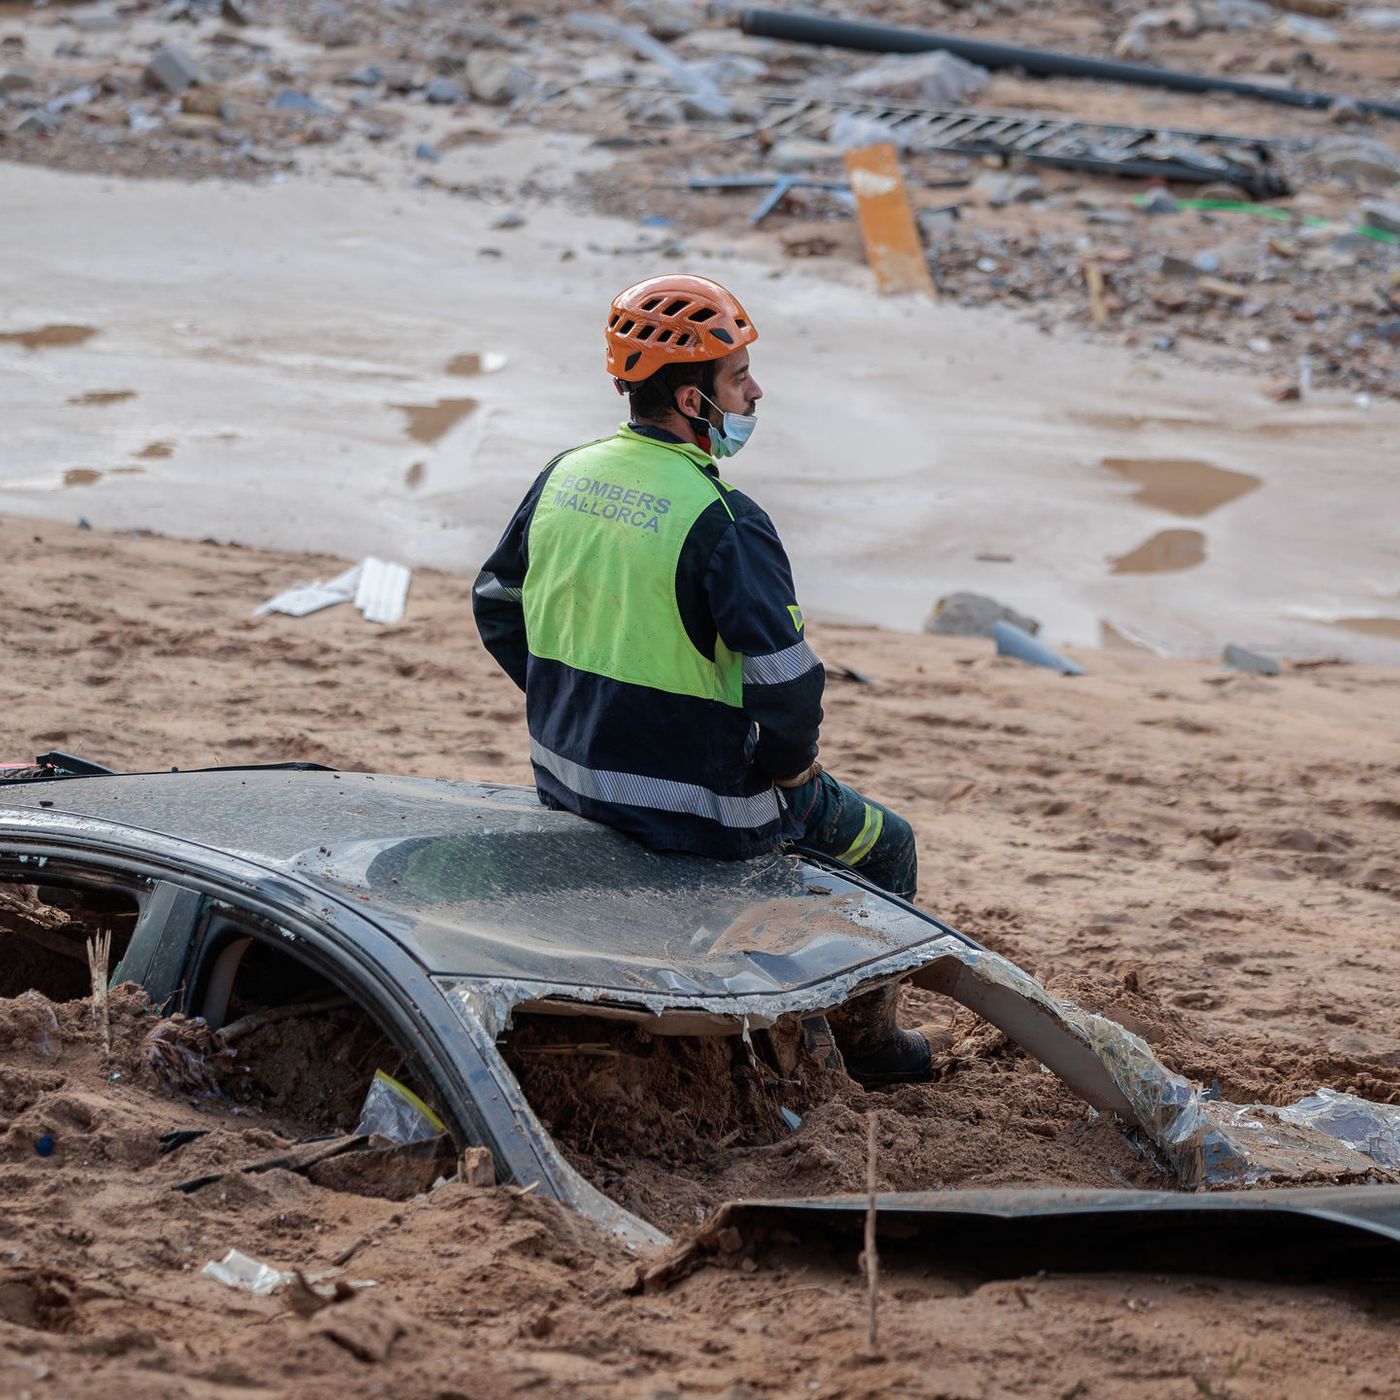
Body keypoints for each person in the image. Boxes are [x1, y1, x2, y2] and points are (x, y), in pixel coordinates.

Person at [472, 273, 930, 1085]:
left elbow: (497, 604)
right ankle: (871, 1052)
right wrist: (790, 770)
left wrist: (573, 701)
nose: (755, 390)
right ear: (692, 401)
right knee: (887, 845)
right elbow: (788, 691)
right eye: (738, 377)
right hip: (701, 809)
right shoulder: (723, 519)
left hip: (567, 776)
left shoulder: (566, 475)